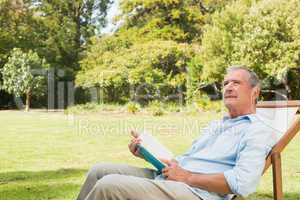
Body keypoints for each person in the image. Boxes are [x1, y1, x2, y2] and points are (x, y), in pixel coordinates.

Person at [77, 65, 277, 200]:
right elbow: (186, 163)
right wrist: (149, 153)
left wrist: (186, 177)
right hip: (174, 179)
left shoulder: (257, 130)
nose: (228, 87)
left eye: (236, 83)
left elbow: (243, 183)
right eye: (225, 83)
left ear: (255, 92)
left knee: (110, 184)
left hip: (197, 193)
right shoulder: (218, 125)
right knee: (99, 171)